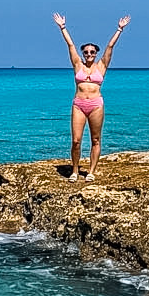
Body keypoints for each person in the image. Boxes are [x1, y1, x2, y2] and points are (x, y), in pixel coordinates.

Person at [53, 13, 130, 177]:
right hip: (79, 105)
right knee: (76, 141)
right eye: (86, 52)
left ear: (96, 54)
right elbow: (70, 45)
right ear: (83, 54)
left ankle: (91, 172)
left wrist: (119, 29)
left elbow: (110, 47)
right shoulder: (77, 64)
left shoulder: (101, 66)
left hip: (96, 105)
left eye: (92, 52)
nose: (89, 54)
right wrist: (62, 27)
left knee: (95, 140)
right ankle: (74, 171)